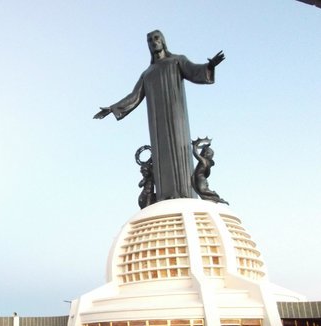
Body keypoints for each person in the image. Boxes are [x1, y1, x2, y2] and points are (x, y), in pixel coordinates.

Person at [94, 30, 224, 201]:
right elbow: (135, 96)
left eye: (156, 38)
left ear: (163, 41)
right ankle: (166, 194)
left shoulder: (177, 60)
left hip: (176, 115)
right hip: (157, 120)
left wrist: (209, 67)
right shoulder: (148, 73)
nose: (153, 42)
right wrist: (112, 108)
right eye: (149, 40)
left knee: (179, 147)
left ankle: (184, 192)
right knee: (162, 153)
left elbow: (193, 70)